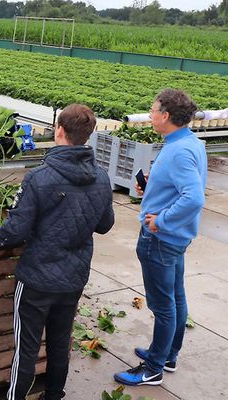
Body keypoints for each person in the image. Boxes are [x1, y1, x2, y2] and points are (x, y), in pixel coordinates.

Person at [0, 103, 115, 400]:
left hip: (37, 280)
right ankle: (54, 395)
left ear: (59, 131)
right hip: (74, 277)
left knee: (26, 349)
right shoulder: (102, 177)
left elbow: (13, 232)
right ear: (88, 135)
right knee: (59, 341)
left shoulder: (39, 178)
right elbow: (105, 225)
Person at [114, 89, 207, 387]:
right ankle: (167, 355)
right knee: (176, 297)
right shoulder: (187, 142)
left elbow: (193, 197)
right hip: (175, 238)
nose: (151, 115)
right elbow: (180, 188)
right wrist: (152, 189)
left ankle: (152, 369)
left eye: (153, 110)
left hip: (161, 239)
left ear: (165, 116)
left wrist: (162, 220)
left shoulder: (179, 151)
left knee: (164, 305)